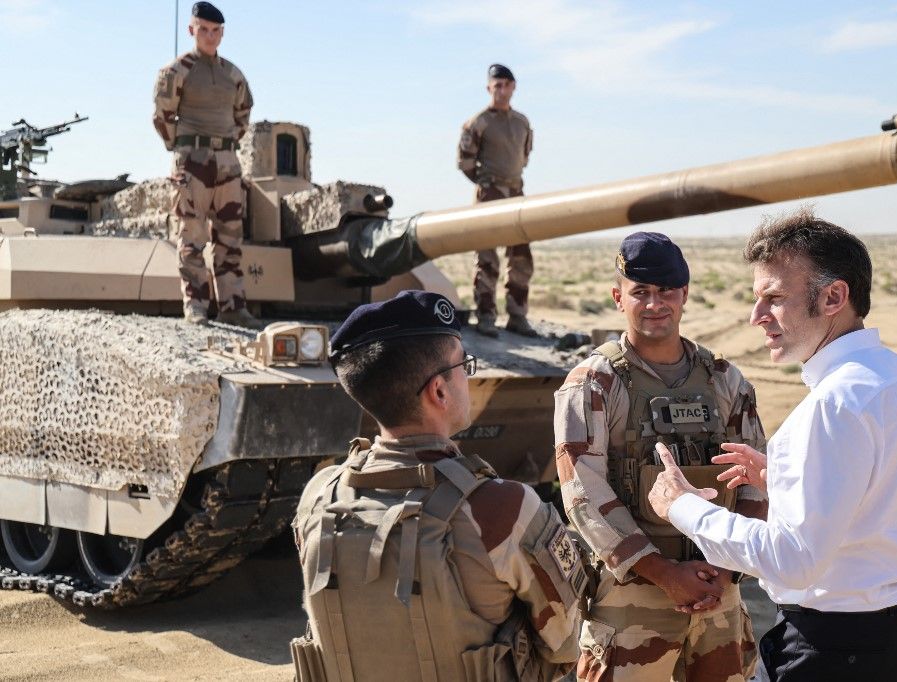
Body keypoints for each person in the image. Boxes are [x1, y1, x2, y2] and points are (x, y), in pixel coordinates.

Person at [649, 209, 897, 681]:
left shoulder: (830, 407)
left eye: (774, 298)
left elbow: (792, 561)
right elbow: (880, 497)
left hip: (832, 654)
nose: (756, 317)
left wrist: (684, 507)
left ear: (833, 297)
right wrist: (785, 479)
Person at [291, 290, 583, 682]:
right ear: (439, 391)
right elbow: (567, 642)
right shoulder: (504, 508)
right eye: (464, 365)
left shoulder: (318, 495)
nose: (467, 376)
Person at [553, 231, 767, 681]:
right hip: (634, 596)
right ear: (618, 297)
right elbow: (583, 493)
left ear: (684, 294)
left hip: (718, 590)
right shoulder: (594, 383)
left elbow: (754, 479)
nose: (655, 304)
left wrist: (726, 568)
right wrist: (665, 573)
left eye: (666, 291)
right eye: (641, 292)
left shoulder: (724, 379)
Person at [152, 2, 259, 328]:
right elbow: (162, 116)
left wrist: (225, 143)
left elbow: (244, 113)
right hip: (192, 163)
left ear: (222, 33)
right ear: (192, 30)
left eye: (215, 31)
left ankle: (233, 306)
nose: (210, 36)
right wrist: (183, 147)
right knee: (192, 235)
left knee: (230, 237)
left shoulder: (232, 74)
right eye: (203, 30)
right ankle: (196, 306)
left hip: (227, 164)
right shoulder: (177, 71)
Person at [458, 63, 536, 338]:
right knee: (487, 257)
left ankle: (517, 315)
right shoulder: (478, 122)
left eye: (506, 85)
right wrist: (487, 184)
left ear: (513, 87)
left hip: (516, 193)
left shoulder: (522, 122)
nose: (502, 90)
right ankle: (486, 316)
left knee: (521, 256)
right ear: (489, 88)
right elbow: (465, 162)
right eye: (497, 85)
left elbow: (524, 157)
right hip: (489, 193)